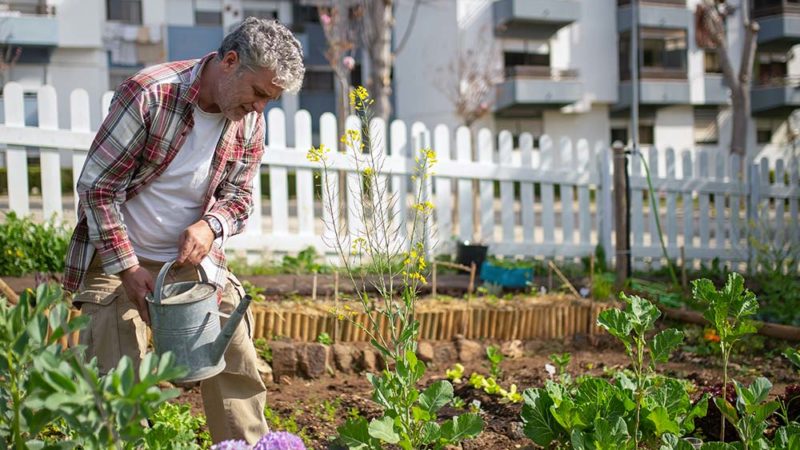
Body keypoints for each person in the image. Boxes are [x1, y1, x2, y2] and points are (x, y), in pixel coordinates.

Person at [62, 17, 305, 444]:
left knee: (235, 359)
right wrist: (128, 268)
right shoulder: (152, 94)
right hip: (117, 259)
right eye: (259, 94)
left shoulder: (248, 120)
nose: (260, 108)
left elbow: (240, 199)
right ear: (230, 62)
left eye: (272, 99)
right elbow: (97, 189)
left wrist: (211, 227)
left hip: (191, 262)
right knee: (117, 378)